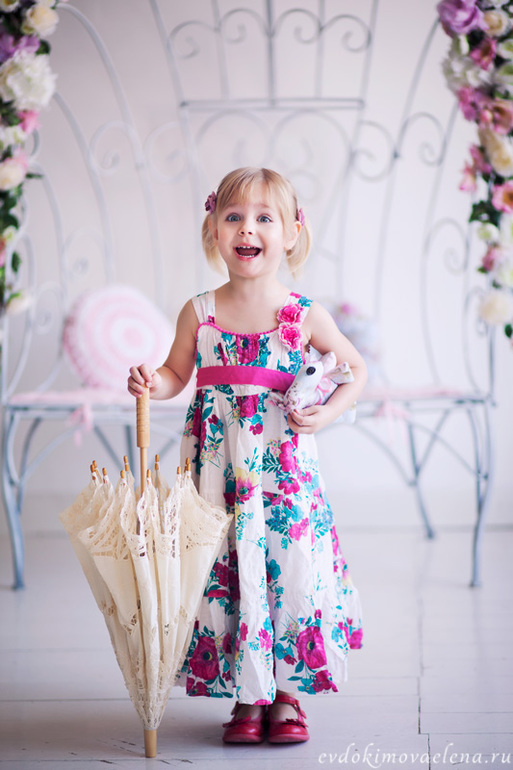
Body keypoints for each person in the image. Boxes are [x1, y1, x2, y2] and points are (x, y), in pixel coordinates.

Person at [128, 167, 367, 745]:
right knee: (226, 568)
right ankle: (246, 694)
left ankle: (285, 694)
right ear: (214, 230)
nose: (247, 229)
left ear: (291, 233)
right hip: (218, 476)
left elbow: (355, 370)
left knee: (285, 567)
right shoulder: (200, 312)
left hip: (282, 475)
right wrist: (153, 382)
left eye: (264, 218)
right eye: (233, 216)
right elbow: (176, 374)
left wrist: (325, 414)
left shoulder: (303, 314)